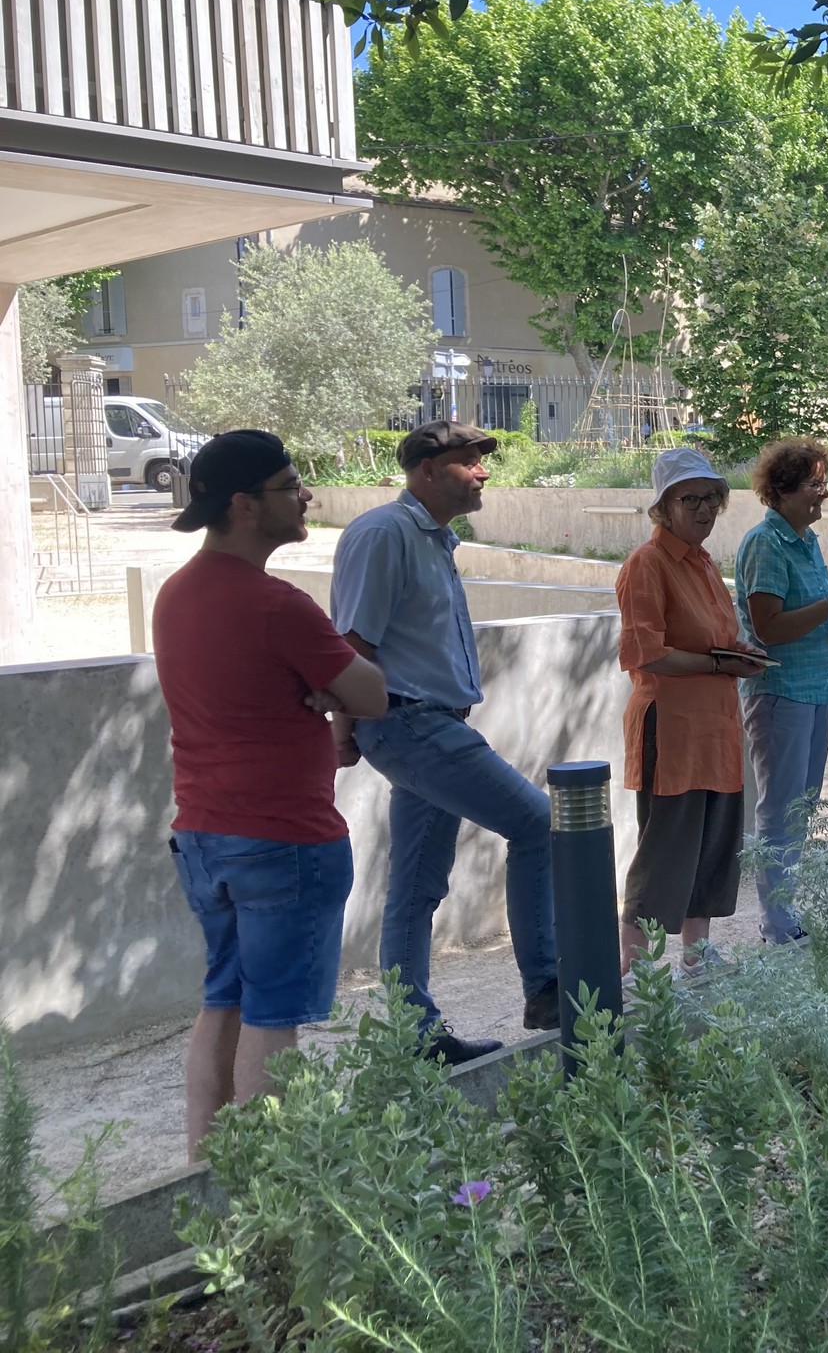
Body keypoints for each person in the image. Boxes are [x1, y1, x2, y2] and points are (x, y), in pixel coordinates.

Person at [152, 430, 389, 1156]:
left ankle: (207, 1174)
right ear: (244, 505)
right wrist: (322, 684)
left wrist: (314, 683)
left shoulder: (175, 595)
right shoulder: (277, 606)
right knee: (273, 1015)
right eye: (291, 486)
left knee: (223, 997)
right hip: (283, 838)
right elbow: (372, 695)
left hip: (202, 832)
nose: (306, 495)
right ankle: (265, 1191)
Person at [330, 420, 559, 1065]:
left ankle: (413, 1033)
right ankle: (546, 986)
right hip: (409, 722)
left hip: (433, 724)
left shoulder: (433, 539)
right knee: (540, 824)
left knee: (416, 884)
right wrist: (342, 731)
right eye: (470, 461)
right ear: (427, 471)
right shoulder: (383, 534)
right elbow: (351, 643)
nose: (484, 471)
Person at [616, 447, 768, 976]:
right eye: (690, 498)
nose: (704, 509)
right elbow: (645, 652)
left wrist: (737, 655)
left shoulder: (703, 562)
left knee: (713, 844)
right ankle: (635, 972)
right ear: (664, 506)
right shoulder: (647, 564)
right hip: (672, 727)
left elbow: (716, 643)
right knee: (665, 848)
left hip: (716, 726)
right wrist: (718, 662)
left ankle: (697, 957)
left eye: (711, 498)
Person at [733, 439, 828, 942]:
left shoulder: (806, 539)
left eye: (823, 481)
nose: (825, 492)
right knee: (780, 806)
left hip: (814, 688)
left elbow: (803, 620)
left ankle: (786, 912)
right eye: (815, 483)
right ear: (782, 490)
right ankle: (776, 923)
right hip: (778, 692)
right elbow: (767, 628)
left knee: (802, 805)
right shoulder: (765, 542)